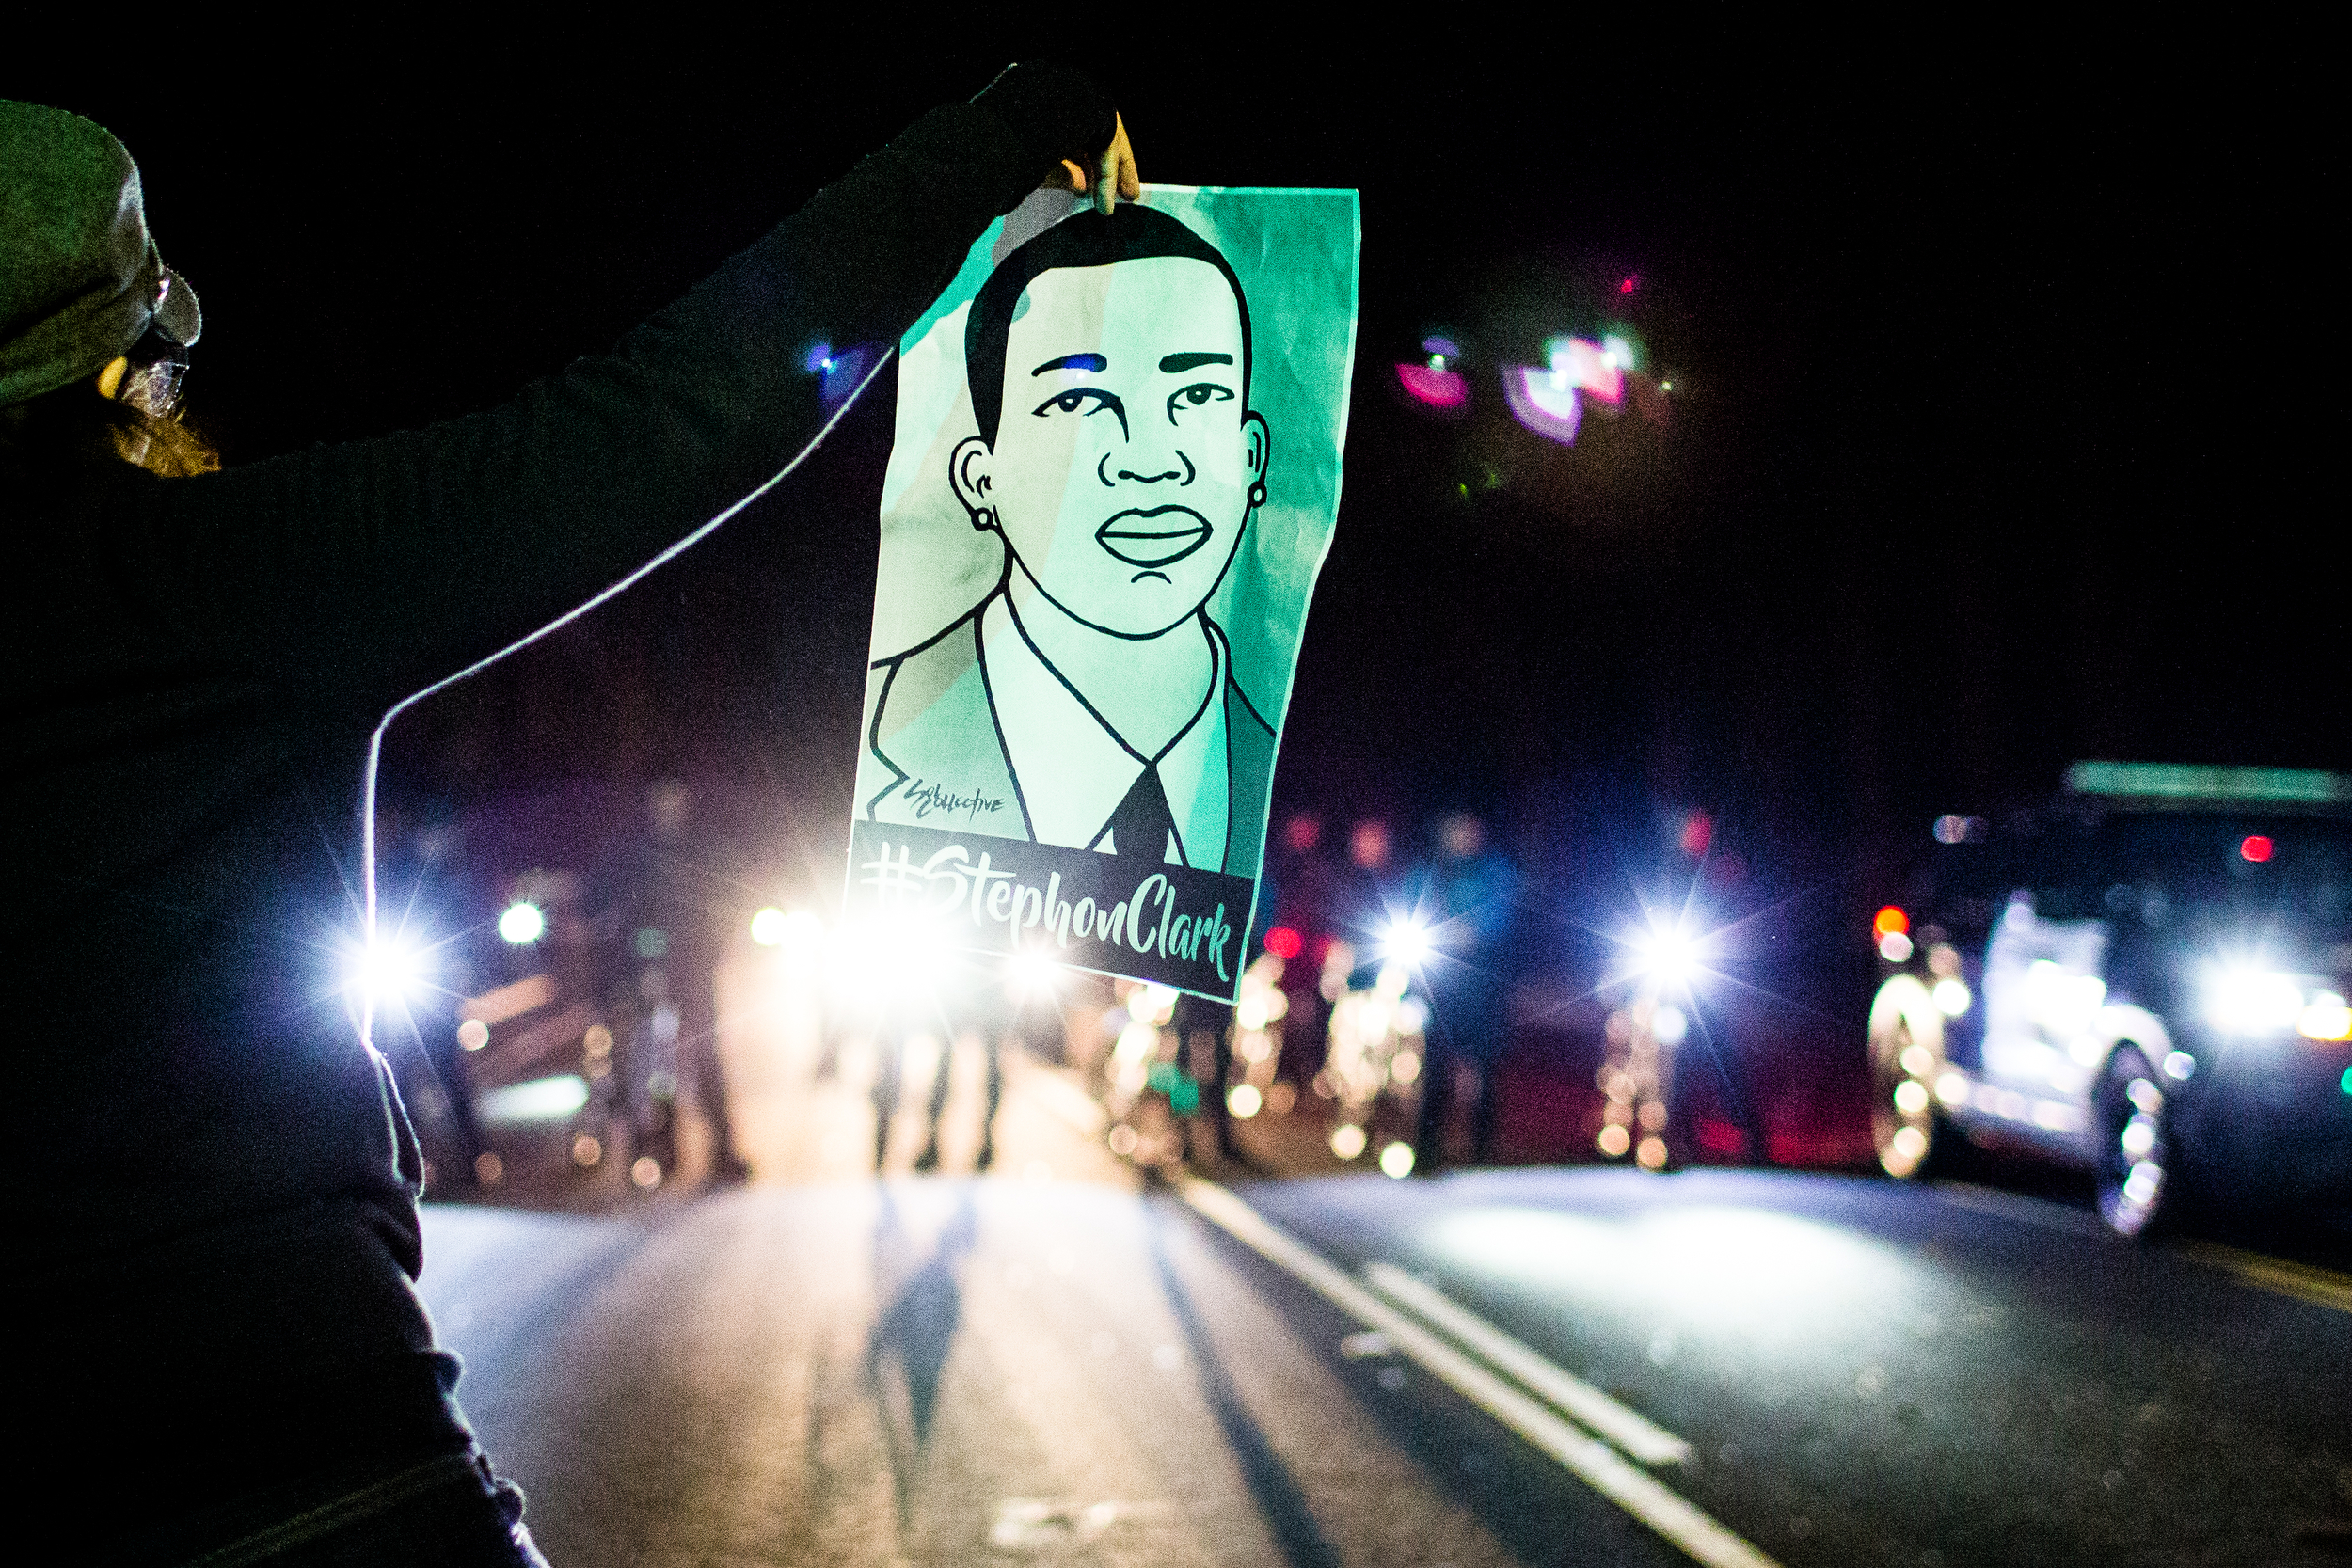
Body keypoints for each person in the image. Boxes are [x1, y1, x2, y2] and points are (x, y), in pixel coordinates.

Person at [2, 73, 1136, 1564]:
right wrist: (1006, 134)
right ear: (125, 376)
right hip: (301, 1464)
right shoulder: (200, 576)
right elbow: (665, 410)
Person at [859, 206, 1277, 876]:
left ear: (1252, 454)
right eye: (1079, 402)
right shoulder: (873, 739)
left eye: (1198, 393)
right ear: (979, 478)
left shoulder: (1281, 773)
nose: (1150, 460)